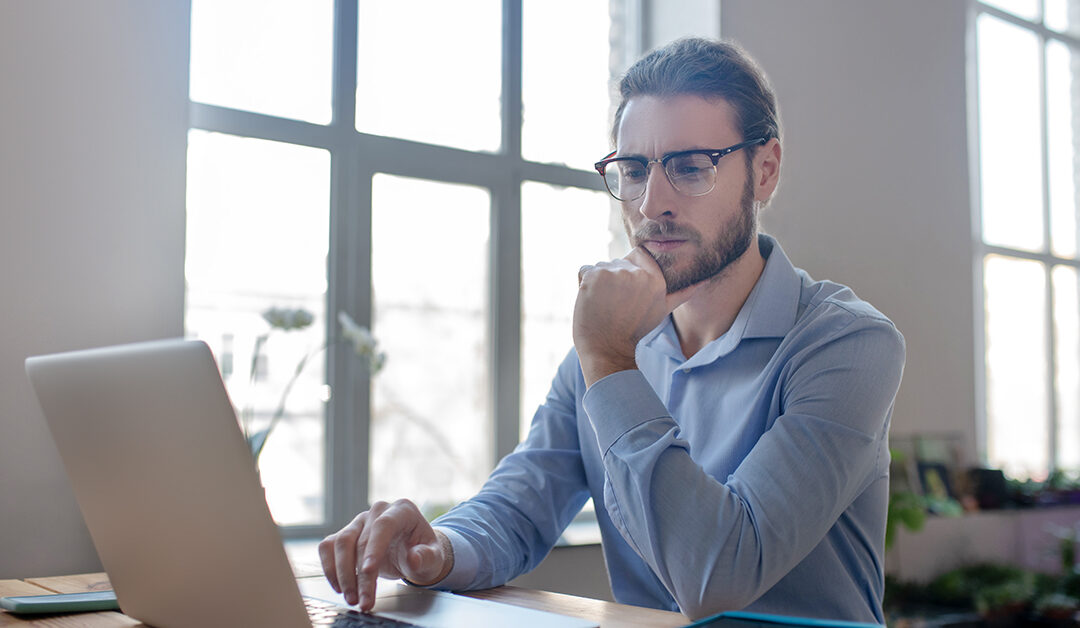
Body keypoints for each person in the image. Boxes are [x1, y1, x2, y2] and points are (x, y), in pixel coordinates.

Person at [319, 37, 905, 624]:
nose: (653, 203)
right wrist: (433, 550)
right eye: (633, 170)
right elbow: (520, 505)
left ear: (765, 171)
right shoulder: (611, 347)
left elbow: (719, 573)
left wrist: (609, 359)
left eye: (690, 168)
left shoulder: (849, 344)